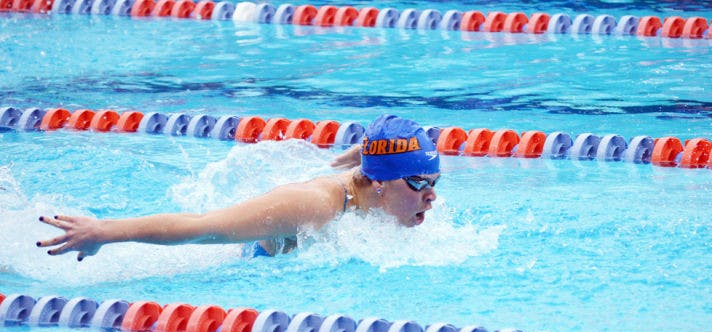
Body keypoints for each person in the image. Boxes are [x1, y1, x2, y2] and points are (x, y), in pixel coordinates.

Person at [36, 114, 441, 260]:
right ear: (378, 183)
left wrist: (368, 151)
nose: (431, 196)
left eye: (435, 182)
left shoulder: (378, 184)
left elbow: (387, 148)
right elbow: (202, 226)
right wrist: (103, 233)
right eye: (419, 183)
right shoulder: (312, 206)